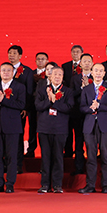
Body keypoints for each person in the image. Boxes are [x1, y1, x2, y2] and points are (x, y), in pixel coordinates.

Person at [0, 62, 26, 193]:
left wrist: (4, 100)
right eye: (3, 70)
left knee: (11, 157)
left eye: (8, 70)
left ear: (13, 72)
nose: (6, 73)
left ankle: (10, 184)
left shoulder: (19, 87)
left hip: (13, 127)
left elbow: (21, 105)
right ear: (0, 72)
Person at [79, 63, 107, 194]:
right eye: (96, 71)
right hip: (89, 126)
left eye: (101, 71)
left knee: (105, 155)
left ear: (104, 73)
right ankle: (90, 185)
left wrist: (99, 106)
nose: (98, 73)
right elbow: (81, 107)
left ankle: (106, 185)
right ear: (92, 73)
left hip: (105, 125)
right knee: (90, 156)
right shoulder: (86, 89)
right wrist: (91, 109)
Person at [35, 65, 73, 193]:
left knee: (58, 157)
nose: (57, 77)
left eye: (60, 75)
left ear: (63, 77)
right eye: (55, 74)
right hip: (44, 128)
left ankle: (57, 185)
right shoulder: (42, 90)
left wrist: (55, 101)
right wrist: (49, 100)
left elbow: (69, 107)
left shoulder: (68, 91)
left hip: (60, 129)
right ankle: (45, 184)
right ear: (50, 76)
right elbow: (38, 106)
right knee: (45, 157)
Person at [7, 45, 36, 167]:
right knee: (7, 136)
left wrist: (26, 108)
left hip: (20, 109)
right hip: (7, 108)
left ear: (20, 56)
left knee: (18, 135)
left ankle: (18, 164)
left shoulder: (27, 71)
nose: (11, 55)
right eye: (9, 53)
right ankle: (7, 162)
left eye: (14, 53)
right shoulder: (5, 69)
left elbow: (29, 91)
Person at [68, 53, 94, 174]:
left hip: (91, 114)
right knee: (78, 141)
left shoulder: (96, 77)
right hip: (77, 114)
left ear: (92, 63)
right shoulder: (75, 78)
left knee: (91, 142)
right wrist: (82, 88)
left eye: (89, 61)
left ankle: (92, 169)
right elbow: (71, 94)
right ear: (80, 64)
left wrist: (89, 88)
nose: (87, 63)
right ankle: (79, 167)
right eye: (84, 61)